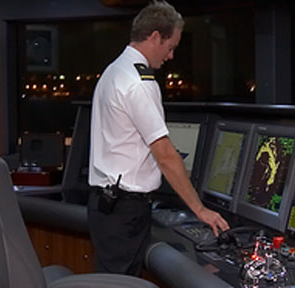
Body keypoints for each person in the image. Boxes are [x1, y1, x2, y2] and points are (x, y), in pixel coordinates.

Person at [86, 1, 230, 276]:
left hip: (107, 206)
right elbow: (164, 155)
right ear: (154, 36)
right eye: (170, 46)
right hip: (125, 211)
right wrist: (200, 211)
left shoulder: (113, 72)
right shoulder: (139, 82)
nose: (171, 55)